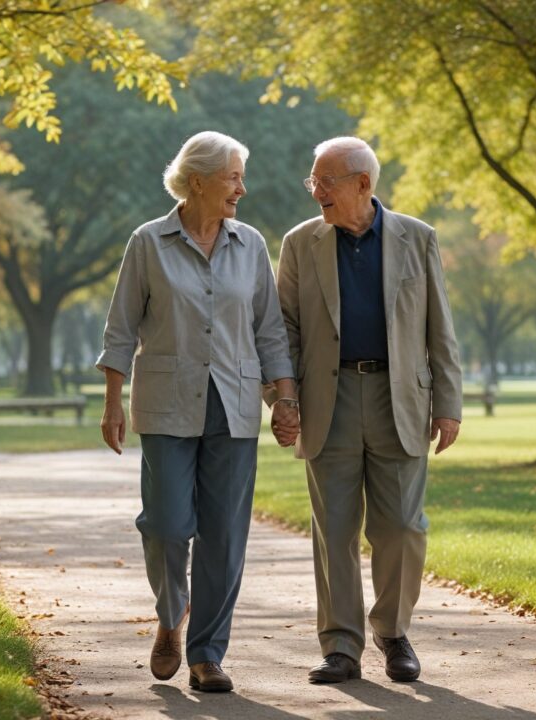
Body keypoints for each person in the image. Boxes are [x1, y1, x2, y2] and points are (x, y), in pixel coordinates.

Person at [96, 131, 298, 693]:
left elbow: (269, 331)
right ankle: (171, 617)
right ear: (198, 180)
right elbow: (120, 327)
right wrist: (113, 402)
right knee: (165, 525)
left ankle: (207, 654)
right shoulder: (148, 242)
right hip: (165, 405)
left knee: (225, 536)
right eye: (234, 176)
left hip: (234, 407)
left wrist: (285, 398)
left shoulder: (251, 244)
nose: (243, 187)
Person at [271, 136, 462, 684]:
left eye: (325, 181)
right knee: (333, 527)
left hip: (398, 396)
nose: (316, 192)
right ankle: (341, 647)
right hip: (324, 399)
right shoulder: (299, 243)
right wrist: (282, 398)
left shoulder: (417, 237)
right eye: (313, 181)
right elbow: (283, 327)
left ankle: (393, 631)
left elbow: (439, 327)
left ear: (363, 183)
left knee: (402, 524)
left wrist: (448, 404)